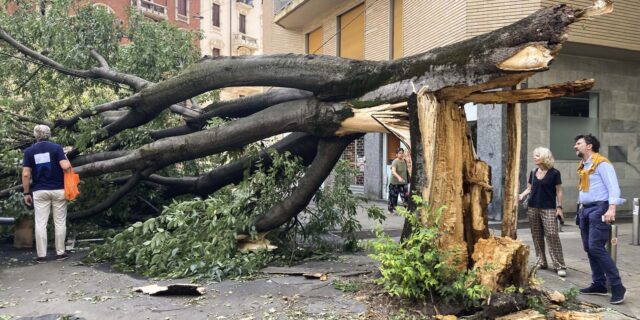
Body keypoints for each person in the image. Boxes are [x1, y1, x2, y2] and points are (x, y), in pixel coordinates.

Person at [573, 134, 626, 304]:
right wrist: (580, 207)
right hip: (585, 209)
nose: (575, 146)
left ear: (589, 146)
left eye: (578, 143)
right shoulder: (583, 165)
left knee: (596, 247)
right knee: (589, 248)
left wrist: (612, 208)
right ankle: (599, 284)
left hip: (599, 209)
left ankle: (617, 286)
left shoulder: (602, 163)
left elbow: (613, 187)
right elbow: (584, 189)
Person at [22, 125, 72, 263]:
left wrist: (26, 193)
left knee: (40, 223)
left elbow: (26, 174)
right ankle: (60, 254)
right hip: (58, 190)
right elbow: (65, 167)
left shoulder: (29, 151)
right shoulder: (56, 148)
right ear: (49, 134)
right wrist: (66, 157)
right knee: (60, 222)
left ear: (35, 135)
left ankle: (41, 256)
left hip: (40, 191)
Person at [518, 147, 566, 277]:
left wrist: (559, 207)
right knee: (537, 235)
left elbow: (558, 191)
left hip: (549, 208)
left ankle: (559, 265)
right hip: (533, 207)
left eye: (537, 155)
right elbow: (529, 189)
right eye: (534, 155)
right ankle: (541, 261)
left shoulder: (554, 173)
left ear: (545, 157)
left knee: (552, 235)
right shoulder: (533, 172)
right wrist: (521, 195)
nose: (534, 157)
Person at [388, 148, 409, 213]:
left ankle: (408, 210)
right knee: (393, 197)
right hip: (394, 183)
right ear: (396, 154)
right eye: (399, 153)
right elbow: (393, 171)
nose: (401, 154)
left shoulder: (404, 161)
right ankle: (391, 210)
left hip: (403, 182)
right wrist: (399, 177)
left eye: (402, 153)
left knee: (405, 197)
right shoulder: (395, 161)